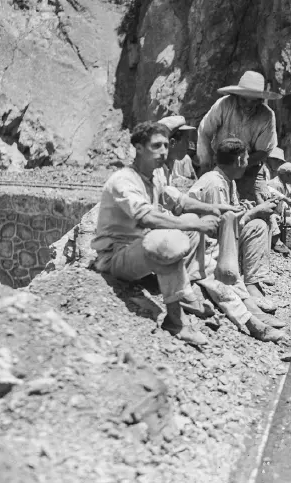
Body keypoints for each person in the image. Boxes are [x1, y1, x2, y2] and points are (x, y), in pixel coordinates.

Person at [91, 121, 236, 348]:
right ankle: (175, 321)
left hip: (140, 249)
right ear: (139, 148)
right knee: (168, 240)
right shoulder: (124, 180)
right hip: (115, 256)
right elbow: (147, 218)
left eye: (166, 146)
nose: (163, 152)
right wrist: (196, 225)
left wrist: (214, 208)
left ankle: (184, 292)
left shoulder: (155, 177)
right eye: (156, 146)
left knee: (188, 227)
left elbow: (179, 201)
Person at [188, 137, 284, 322]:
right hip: (206, 246)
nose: (248, 163)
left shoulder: (227, 181)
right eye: (246, 158)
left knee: (258, 224)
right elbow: (219, 228)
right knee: (257, 226)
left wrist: (244, 208)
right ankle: (251, 287)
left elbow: (231, 214)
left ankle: (253, 281)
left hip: (217, 240)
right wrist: (254, 212)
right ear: (239, 160)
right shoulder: (215, 184)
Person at [196, 71, 280, 204]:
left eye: (254, 101)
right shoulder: (224, 105)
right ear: (236, 97)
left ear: (260, 100)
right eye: (244, 99)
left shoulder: (267, 116)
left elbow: (263, 152)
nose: (248, 105)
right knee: (209, 199)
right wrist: (206, 162)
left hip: (250, 167)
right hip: (219, 163)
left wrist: (238, 165)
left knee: (258, 205)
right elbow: (204, 132)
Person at [157, 115, 198, 186]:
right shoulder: (157, 173)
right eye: (186, 139)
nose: (188, 144)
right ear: (172, 143)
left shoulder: (168, 167)